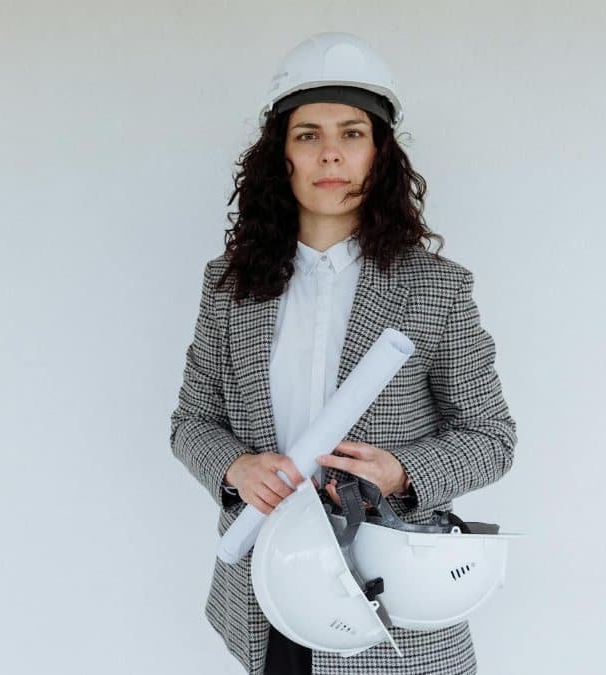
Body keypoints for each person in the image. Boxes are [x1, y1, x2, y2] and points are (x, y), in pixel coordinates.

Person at [169, 32, 516, 675]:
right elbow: (191, 422)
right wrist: (236, 468)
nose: (331, 153)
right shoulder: (229, 286)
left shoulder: (434, 287)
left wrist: (400, 473)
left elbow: (491, 438)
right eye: (308, 135)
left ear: (378, 154)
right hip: (270, 591)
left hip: (395, 612)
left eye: (352, 133)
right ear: (283, 157)